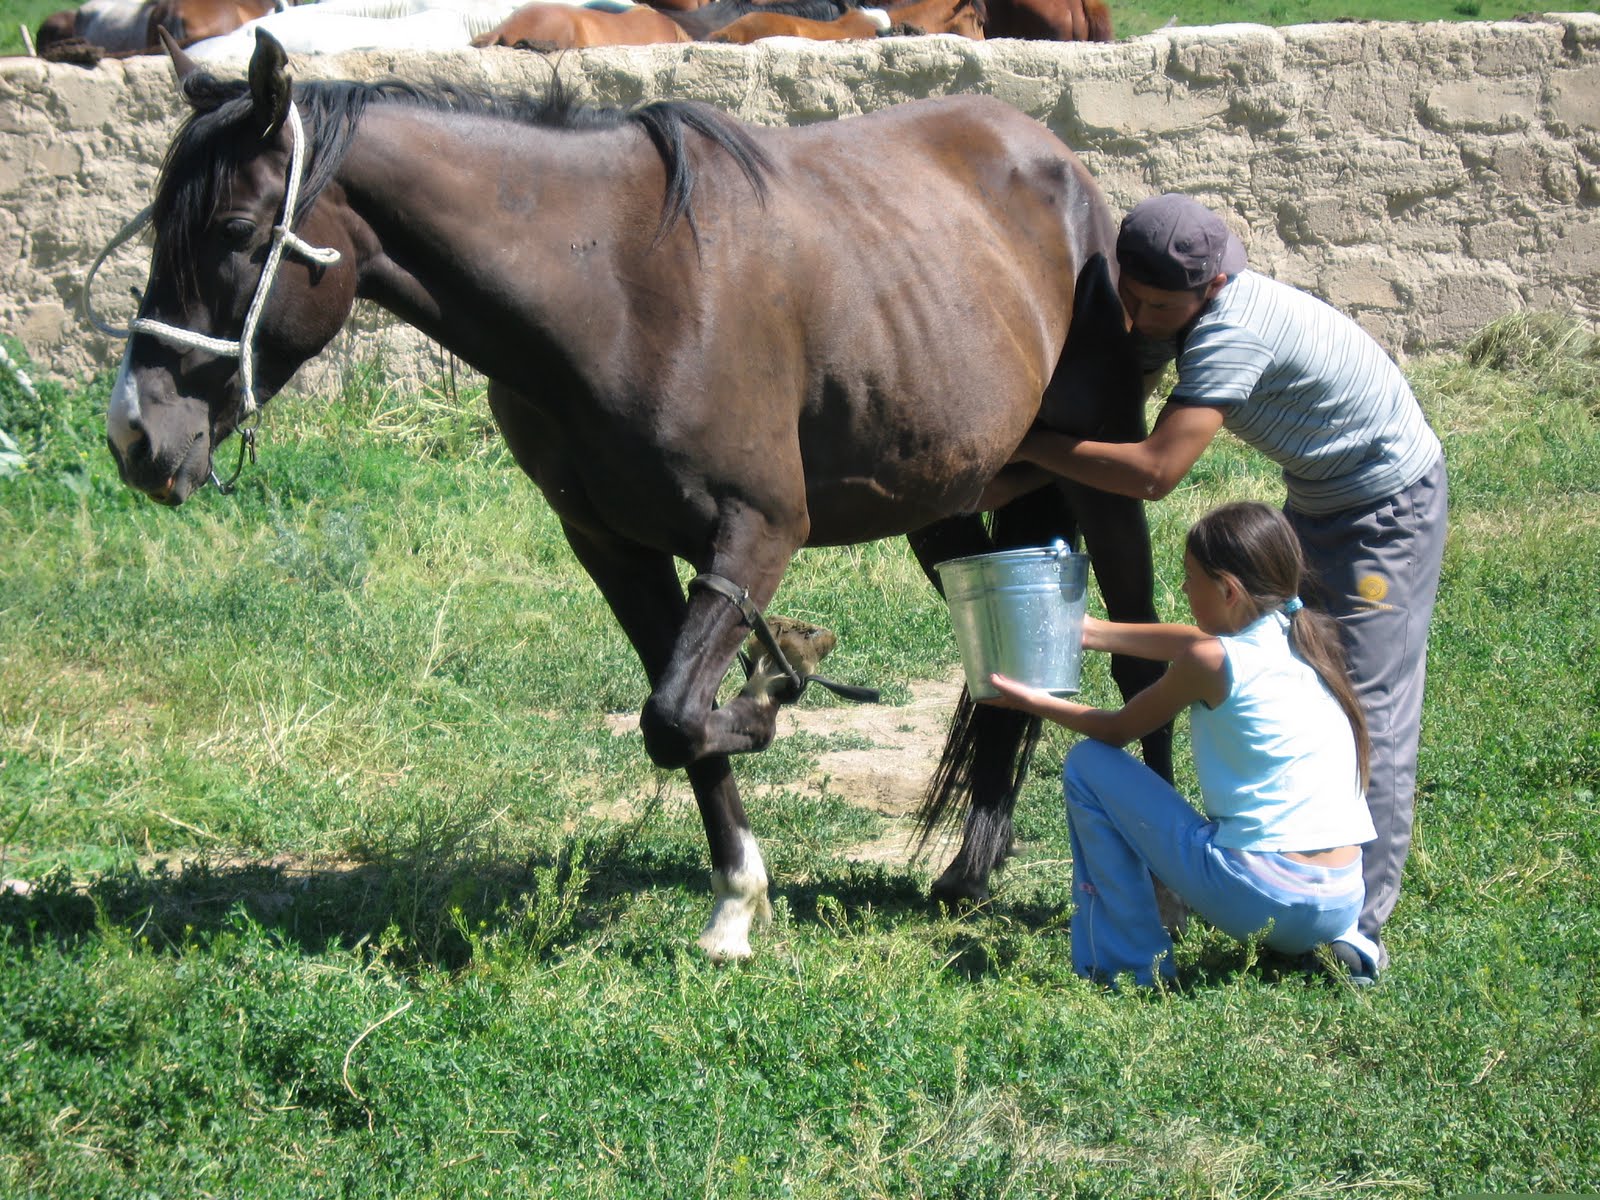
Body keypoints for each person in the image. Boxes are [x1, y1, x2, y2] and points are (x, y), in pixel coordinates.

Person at [985, 194, 1446, 984]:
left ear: (1213, 286)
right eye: (1126, 298)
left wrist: (1026, 441)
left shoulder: (1232, 331)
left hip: (1383, 513)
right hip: (1318, 499)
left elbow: (1155, 470)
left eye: (1156, 307)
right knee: (1283, 658)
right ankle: (1304, 888)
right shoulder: (1180, 314)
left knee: (1365, 699)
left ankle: (1357, 927)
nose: (1136, 319)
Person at [985, 502, 1376, 987]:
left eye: (1191, 578)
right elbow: (1189, 642)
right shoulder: (1304, 636)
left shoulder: (1211, 660)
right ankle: (1346, 948)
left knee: (1088, 764)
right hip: (1342, 900)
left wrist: (1033, 701)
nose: (1185, 589)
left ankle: (1131, 964)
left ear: (1229, 590)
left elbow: (1116, 730)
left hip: (1265, 897)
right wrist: (1091, 632)